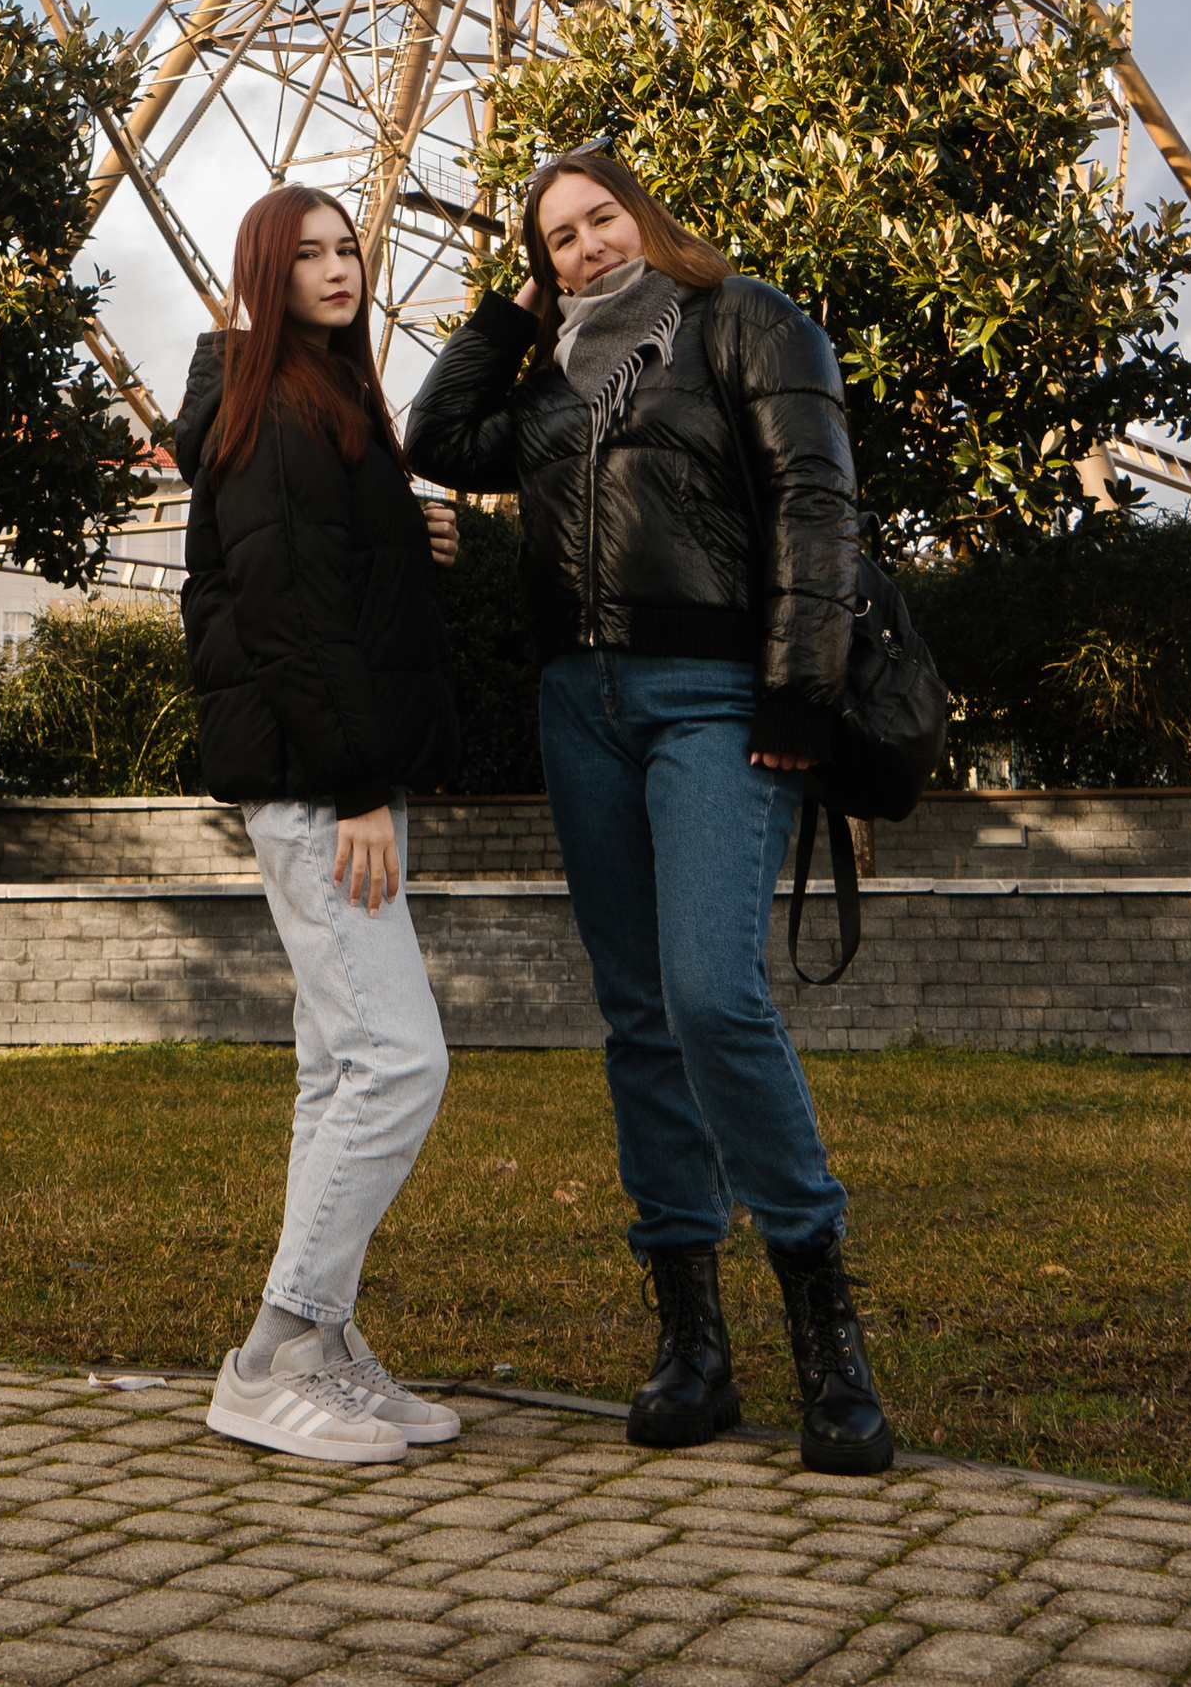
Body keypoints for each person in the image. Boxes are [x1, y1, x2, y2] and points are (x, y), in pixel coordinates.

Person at [405, 140, 893, 1477]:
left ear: (649, 220)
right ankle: (693, 1344)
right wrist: (512, 311)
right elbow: (436, 436)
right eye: (557, 238)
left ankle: (826, 1333)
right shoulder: (550, 382)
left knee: (710, 995)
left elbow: (814, 500)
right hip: (582, 705)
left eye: (600, 219)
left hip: (716, 696)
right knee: (636, 1017)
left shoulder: (745, 322)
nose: (586, 249)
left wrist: (797, 695)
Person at [176, 182, 464, 1469]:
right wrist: (356, 788)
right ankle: (271, 1354)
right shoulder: (275, 411)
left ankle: (326, 1349)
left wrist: (412, 539)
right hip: (314, 784)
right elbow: (288, 615)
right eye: (308, 256)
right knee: (399, 1061)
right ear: (265, 273)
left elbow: (325, 570)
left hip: (328, 773)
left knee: (337, 1070)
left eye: (349, 249)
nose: (338, 270)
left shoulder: (320, 403)